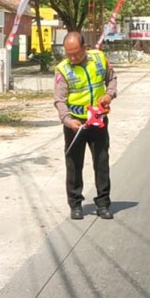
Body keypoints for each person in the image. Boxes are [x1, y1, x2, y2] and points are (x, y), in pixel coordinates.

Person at [54, 32, 118, 220]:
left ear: (85, 47)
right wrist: (68, 120)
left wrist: (109, 95)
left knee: (101, 162)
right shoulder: (63, 70)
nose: (72, 58)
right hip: (76, 124)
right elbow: (59, 100)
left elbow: (112, 79)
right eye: (68, 54)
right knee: (74, 164)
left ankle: (103, 203)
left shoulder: (99, 59)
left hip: (98, 121)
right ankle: (75, 204)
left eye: (76, 53)